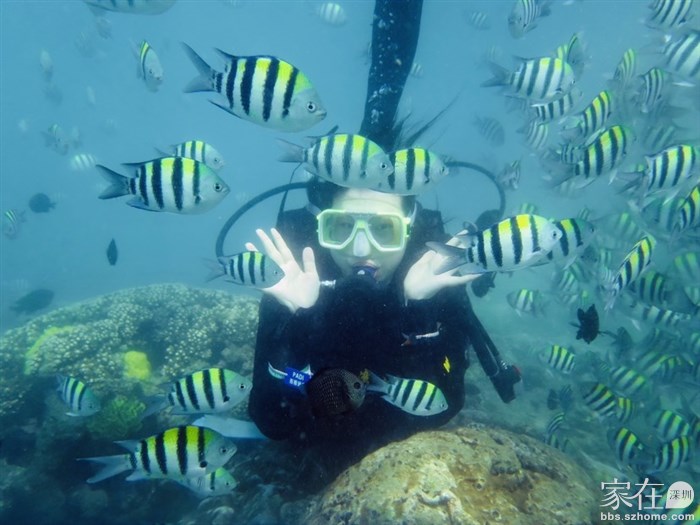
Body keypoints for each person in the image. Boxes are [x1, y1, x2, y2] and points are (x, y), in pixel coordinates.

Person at [245, 178, 519, 476]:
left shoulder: (436, 274)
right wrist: (300, 323)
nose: (361, 249)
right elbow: (272, 421)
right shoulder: (292, 278)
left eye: (385, 229)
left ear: (409, 230)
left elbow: (444, 408)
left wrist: (418, 311)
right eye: (342, 226)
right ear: (322, 227)